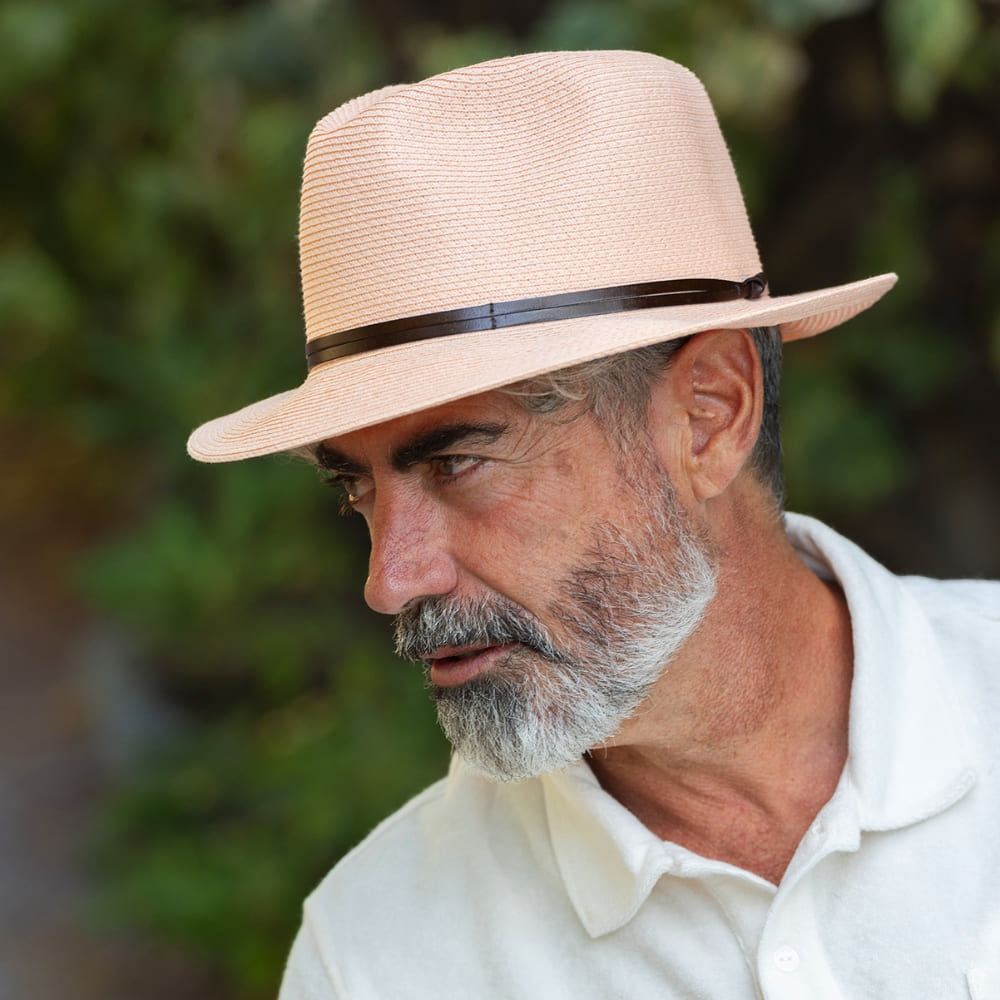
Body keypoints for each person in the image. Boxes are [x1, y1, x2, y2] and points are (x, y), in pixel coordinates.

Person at [188, 51, 1000, 999]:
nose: (390, 579)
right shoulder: (374, 960)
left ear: (710, 413)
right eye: (356, 490)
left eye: (457, 462)